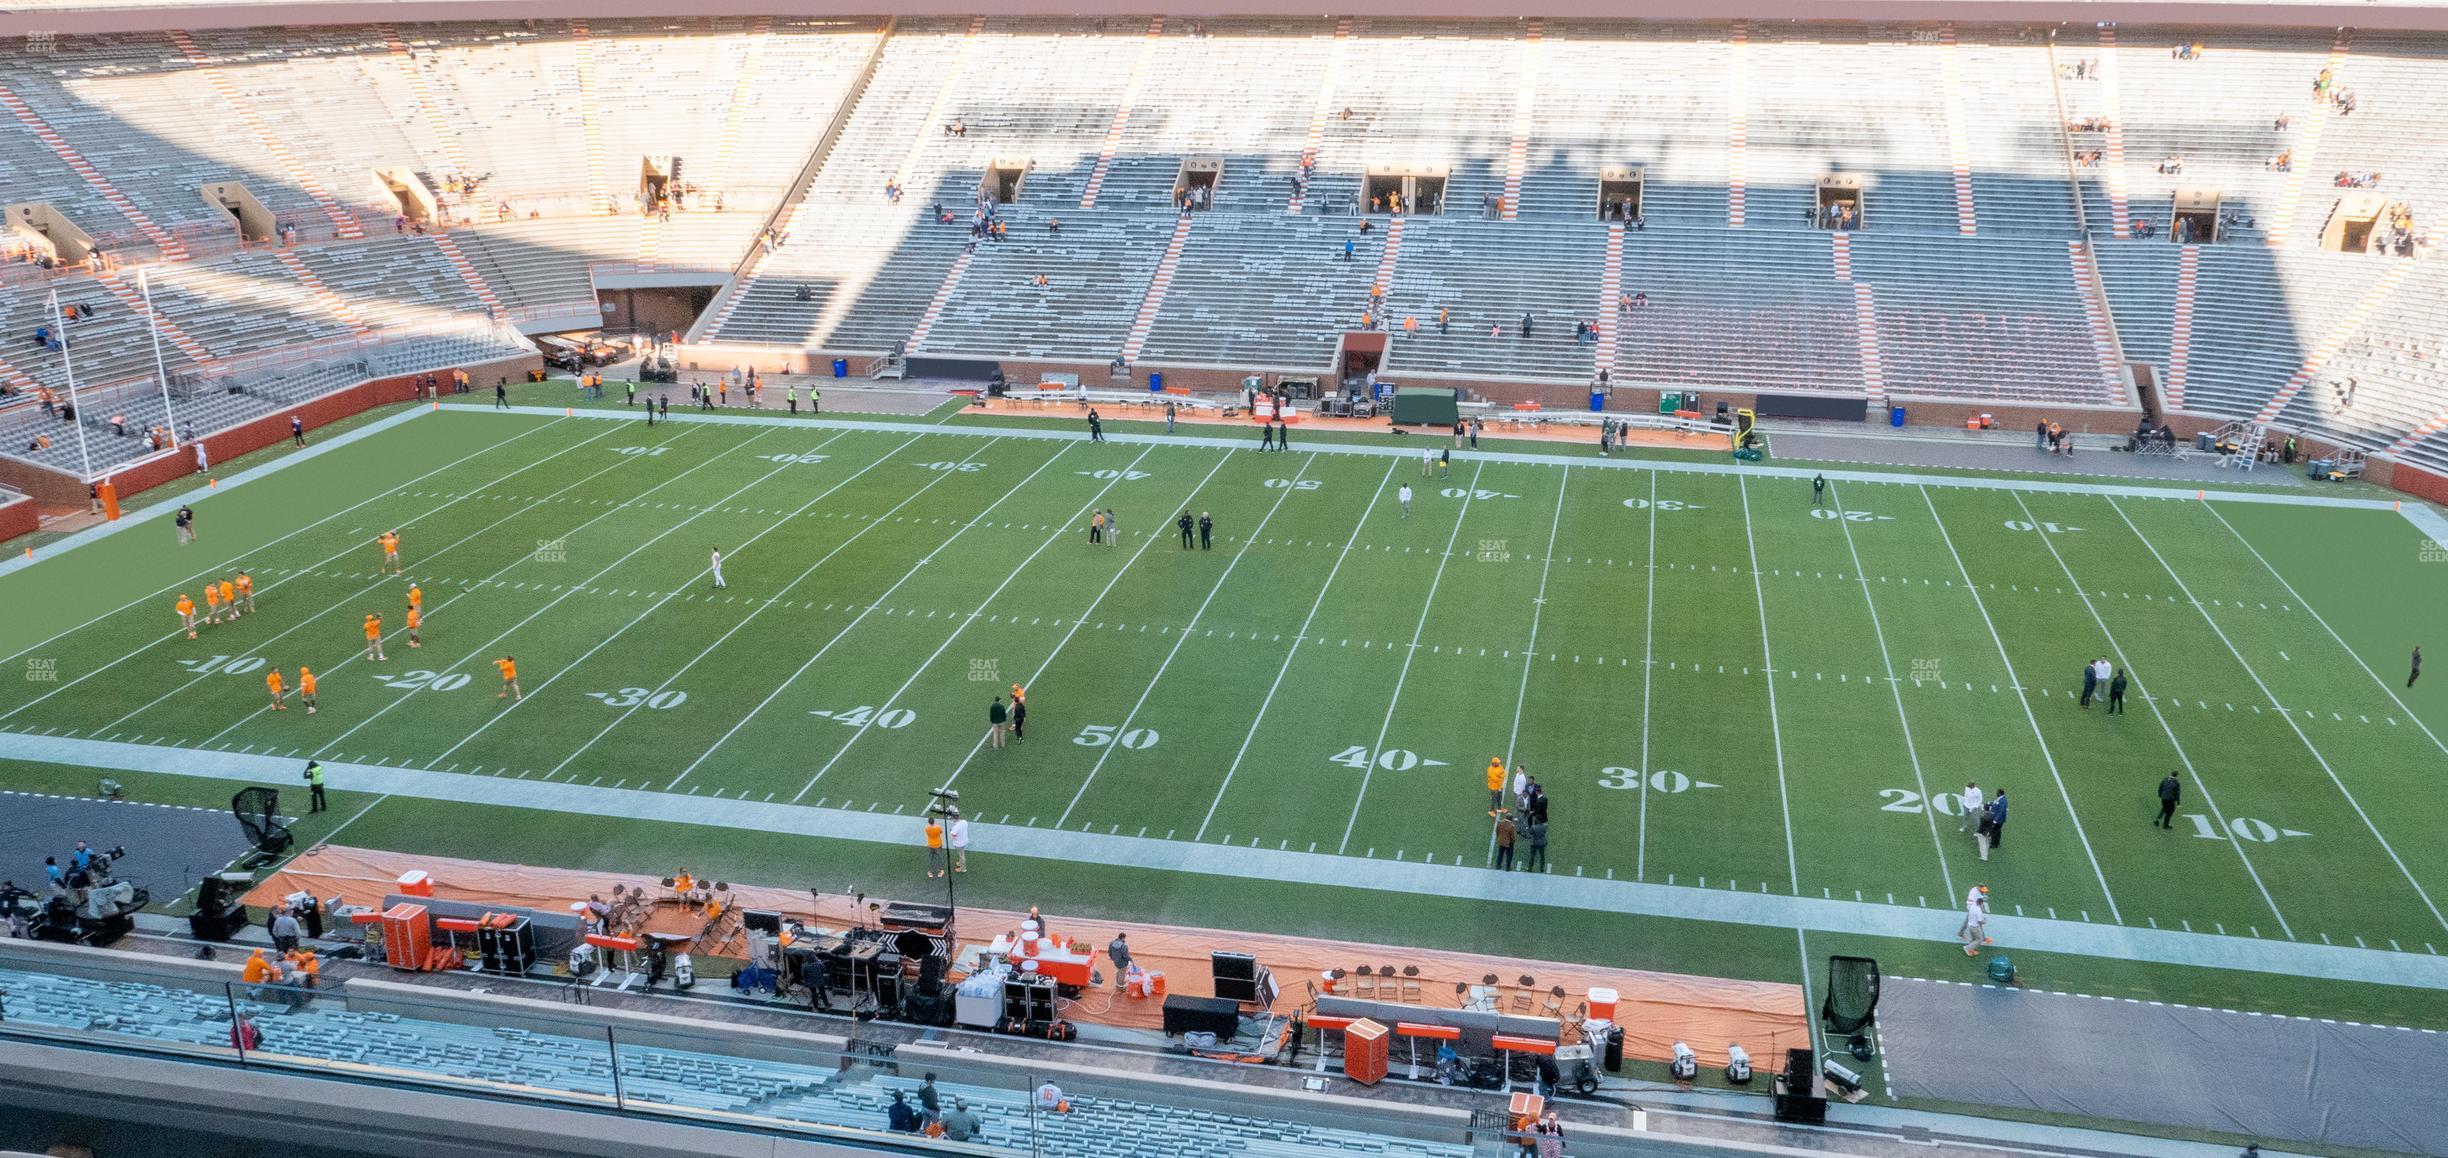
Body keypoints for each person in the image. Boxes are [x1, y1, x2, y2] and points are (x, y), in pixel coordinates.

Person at [1958, 885, 1992, 955]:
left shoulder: (1977, 896)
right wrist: (1985, 920)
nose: (1984, 892)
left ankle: (1961, 935)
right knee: (1977, 930)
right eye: (1983, 891)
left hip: (1972, 910)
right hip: (1971, 911)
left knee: (1968, 924)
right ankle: (1980, 940)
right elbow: (1980, 921)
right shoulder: (1974, 893)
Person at [1982, 789, 2009, 858]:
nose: (1996, 793)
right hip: (1997, 819)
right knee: (1997, 831)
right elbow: (1995, 803)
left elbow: (2001, 812)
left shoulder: (2003, 801)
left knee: (1995, 831)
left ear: (1999, 793)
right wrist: (1989, 803)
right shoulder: (2001, 799)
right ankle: (1997, 842)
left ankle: (1995, 844)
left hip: (1999, 820)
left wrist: (1995, 820)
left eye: (1997, 792)